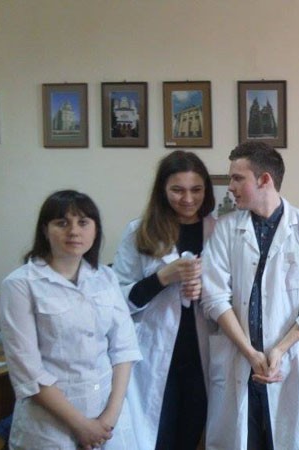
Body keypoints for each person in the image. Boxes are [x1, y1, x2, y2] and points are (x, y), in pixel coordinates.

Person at [200, 141, 299, 449]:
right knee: (239, 439)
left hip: (287, 362)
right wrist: (250, 353)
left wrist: (280, 350)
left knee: (284, 438)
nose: (231, 186)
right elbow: (213, 296)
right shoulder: (225, 229)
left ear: (264, 180)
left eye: (238, 178)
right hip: (237, 359)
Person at [0, 190, 141, 449]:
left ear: (95, 230)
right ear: (45, 230)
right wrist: (82, 426)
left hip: (109, 423)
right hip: (49, 428)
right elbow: (28, 372)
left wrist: (109, 419)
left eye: (83, 222)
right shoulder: (20, 284)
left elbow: (124, 349)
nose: (74, 231)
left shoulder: (105, 277)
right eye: (62, 223)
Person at [112, 151, 215, 449]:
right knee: (156, 438)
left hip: (203, 356)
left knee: (190, 437)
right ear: (162, 189)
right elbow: (118, 301)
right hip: (154, 354)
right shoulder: (139, 231)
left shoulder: (220, 231)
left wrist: (204, 291)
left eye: (196, 189)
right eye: (177, 190)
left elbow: (236, 294)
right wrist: (162, 278)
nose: (188, 199)